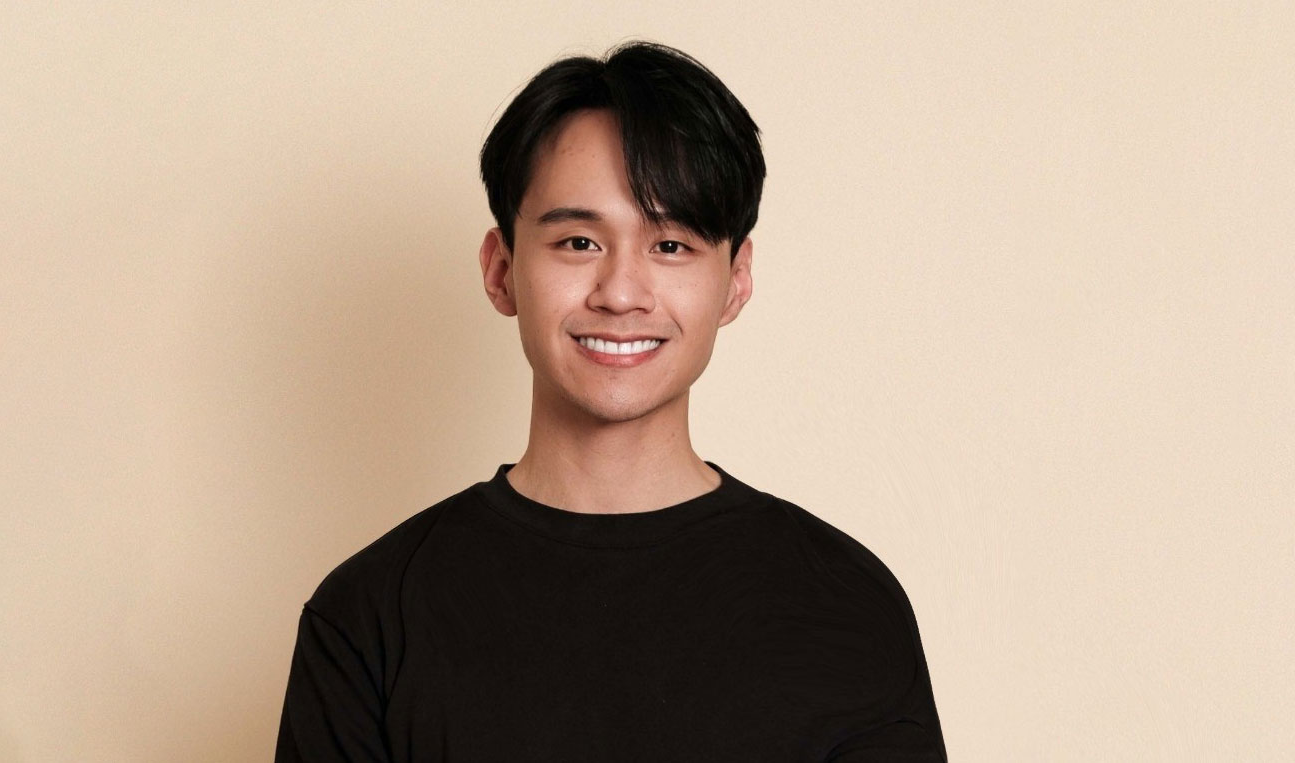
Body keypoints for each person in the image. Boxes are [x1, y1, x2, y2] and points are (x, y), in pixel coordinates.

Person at [276, 40, 946, 762]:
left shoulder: (845, 604)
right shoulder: (368, 617)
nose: (621, 292)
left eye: (670, 245)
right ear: (501, 270)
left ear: (737, 279)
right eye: (577, 241)